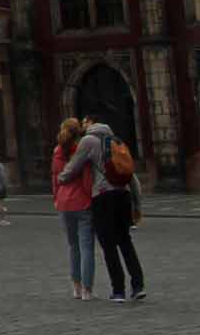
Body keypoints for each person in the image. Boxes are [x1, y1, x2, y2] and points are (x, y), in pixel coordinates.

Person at [70, 117, 145, 302]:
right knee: (125, 242)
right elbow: (131, 176)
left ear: (90, 125)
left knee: (108, 246)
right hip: (123, 196)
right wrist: (137, 204)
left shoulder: (88, 141)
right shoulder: (116, 141)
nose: (83, 125)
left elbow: (74, 166)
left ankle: (118, 290)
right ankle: (138, 286)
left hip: (103, 197)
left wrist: (61, 179)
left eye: (85, 122)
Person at [51, 118, 98, 300]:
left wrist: (56, 199)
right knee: (86, 247)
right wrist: (90, 197)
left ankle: (76, 288)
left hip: (63, 203)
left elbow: (55, 177)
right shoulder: (82, 149)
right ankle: (87, 289)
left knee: (73, 247)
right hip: (82, 202)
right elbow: (87, 179)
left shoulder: (56, 151)